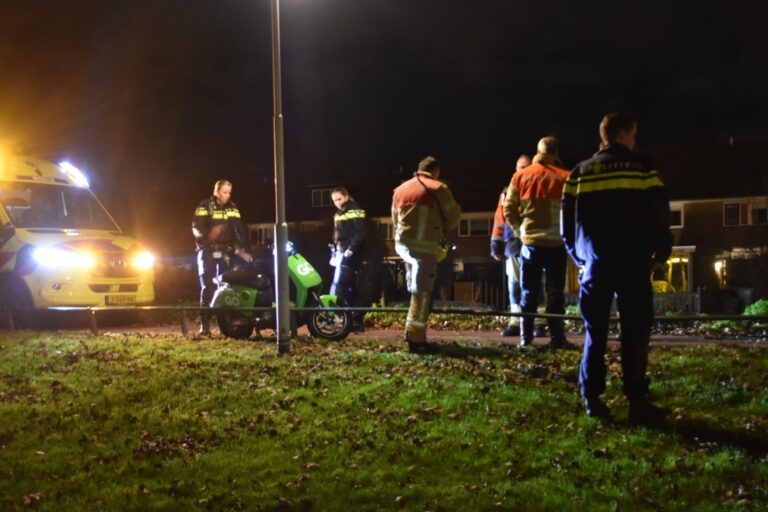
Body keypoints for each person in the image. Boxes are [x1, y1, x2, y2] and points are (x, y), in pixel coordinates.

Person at [561, 113, 673, 426]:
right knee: (635, 332)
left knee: (595, 331)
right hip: (634, 262)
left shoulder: (579, 173)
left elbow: (567, 225)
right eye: (633, 133)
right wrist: (660, 250)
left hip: (595, 262)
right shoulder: (643, 167)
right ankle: (637, 400)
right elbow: (659, 210)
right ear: (623, 134)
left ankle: (591, 398)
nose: (635, 139)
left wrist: (580, 257)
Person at [504, 136, 574, 350]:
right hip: (556, 244)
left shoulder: (520, 177)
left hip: (530, 244)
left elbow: (508, 208)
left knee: (528, 291)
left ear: (538, 151)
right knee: (555, 292)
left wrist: (520, 230)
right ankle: (557, 338)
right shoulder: (566, 177)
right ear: (556, 152)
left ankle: (525, 340)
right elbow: (574, 211)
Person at [392, 156, 461, 354]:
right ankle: (416, 339)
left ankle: (413, 333)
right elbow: (454, 217)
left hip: (403, 247)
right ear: (436, 171)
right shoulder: (438, 188)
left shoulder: (400, 189)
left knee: (414, 288)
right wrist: (442, 229)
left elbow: (394, 219)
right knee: (422, 293)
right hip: (425, 248)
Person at [192, 179, 253, 336]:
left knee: (226, 287)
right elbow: (196, 227)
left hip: (226, 253)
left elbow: (239, 230)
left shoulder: (232, 208)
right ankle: (204, 325)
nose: (227, 195)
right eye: (224, 192)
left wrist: (245, 250)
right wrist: (209, 237)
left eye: (229, 192)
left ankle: (224, 324)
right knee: (207, 287)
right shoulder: (204, 206)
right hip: (207, 252)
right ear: (216, 192)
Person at [491, 154, 530, 336]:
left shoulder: (535, 188)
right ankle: (516, 321)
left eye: (525, 167)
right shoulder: (506, 193)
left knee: (534, 284)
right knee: (515, 284)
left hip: (534, 242)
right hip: (514, 245)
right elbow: (500, 220)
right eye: (520, 168)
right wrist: (496, 246)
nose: (522, 172)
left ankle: (536, 321)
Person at [330, 187, 366, 331]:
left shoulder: (354, 210)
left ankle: (347, 319)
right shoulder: (339, 213)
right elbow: (337, 234)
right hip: (340, 253)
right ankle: (351, 320)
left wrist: (351, 250)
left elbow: (360, 233)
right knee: (347, 286)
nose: (337, 202)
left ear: (346, 196)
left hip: (350, 254)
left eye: (339, 199)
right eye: (334, 201)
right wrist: (333, 249)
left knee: (341, 285)